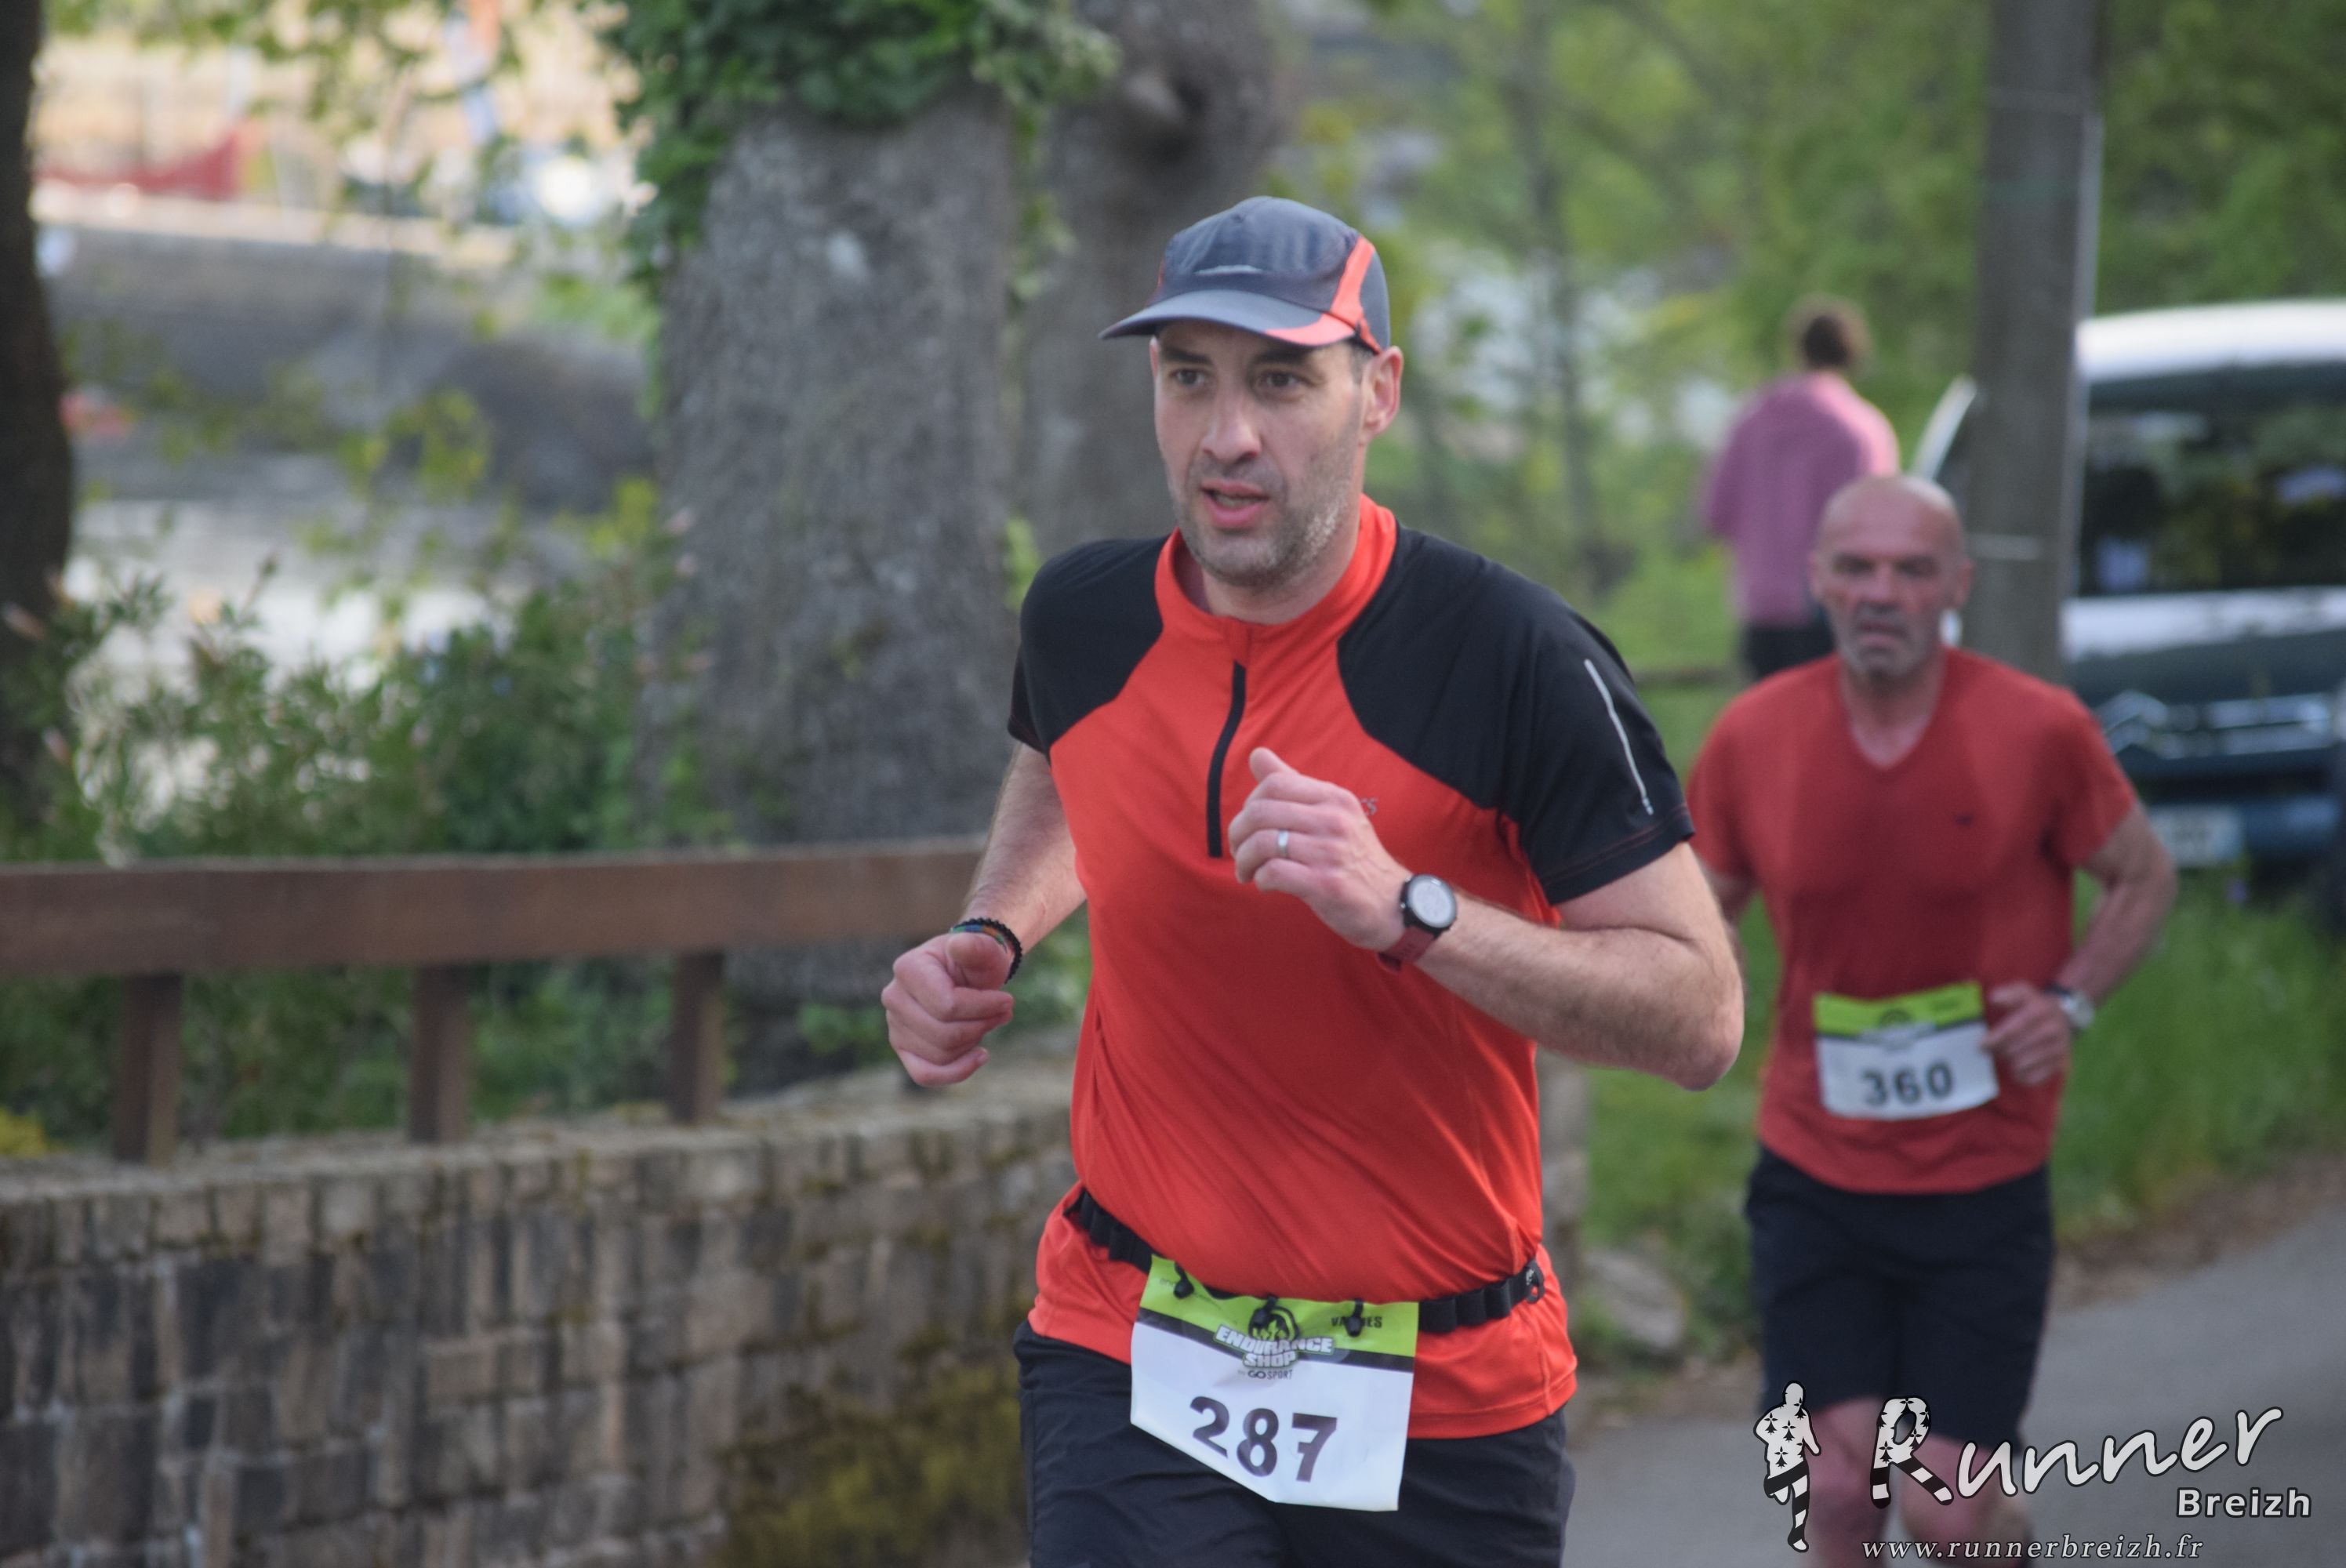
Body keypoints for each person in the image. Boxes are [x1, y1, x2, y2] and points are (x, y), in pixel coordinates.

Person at [881, 196, 1742, 1566]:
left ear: (1376, 393)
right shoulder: (1082, 616)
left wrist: (1413, 912)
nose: (1227, 433)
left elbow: (1698, 1018)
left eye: (1281, 381)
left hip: (1441, 1391)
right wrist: (991, 930)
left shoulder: (1511, 654)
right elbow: (1062, 769)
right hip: (1131, 1339)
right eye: (1189, 379)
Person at [1686, 475, 2177, 1564]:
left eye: (1912, 570)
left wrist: (2072, 999)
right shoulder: (1754, 735)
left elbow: (2143, 876)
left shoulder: (2037, 728)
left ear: (1957, 586)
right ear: (1817, 579)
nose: (1881, 593)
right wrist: (1688, 997)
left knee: (1947, 1512)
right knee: (1835, 1491)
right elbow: (1695, 909)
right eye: (1857, 567)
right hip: (1815, 1165)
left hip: (1983, 1176)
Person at [1702, 299, 1900, 681]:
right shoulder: (1860, 428)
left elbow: (1715, 512)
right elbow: (1882, 527)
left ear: (1798, 349)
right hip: (1836, 615)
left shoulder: (1751, 421)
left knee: (1770, 716)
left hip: (1762, 612)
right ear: (1853, 352)